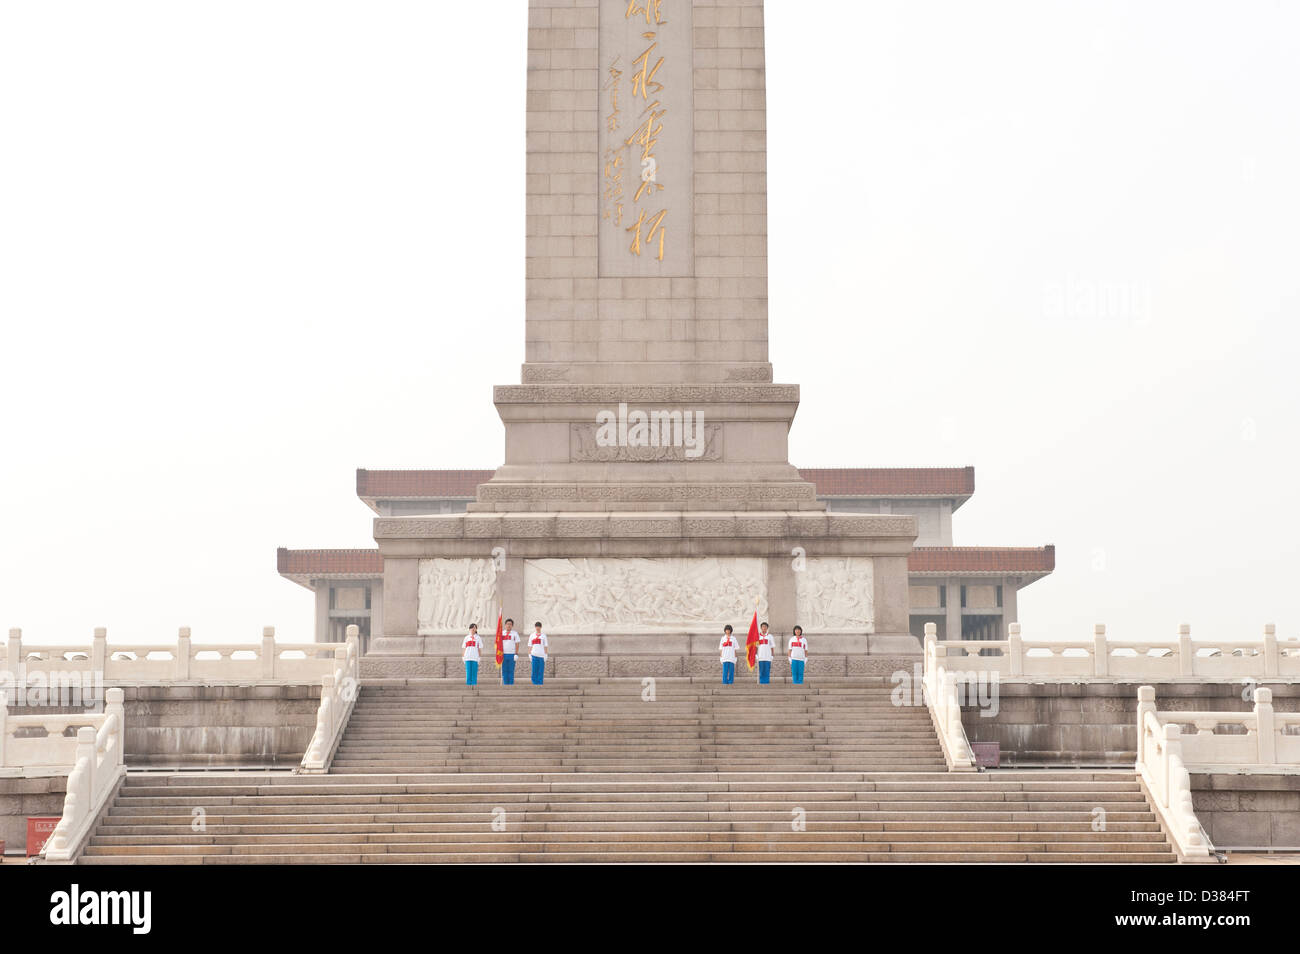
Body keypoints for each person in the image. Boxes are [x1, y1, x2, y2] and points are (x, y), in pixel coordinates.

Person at [528, 621, 549, 685]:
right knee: (534, 670)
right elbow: (530, 645)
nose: (538, 628)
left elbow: (545, 646)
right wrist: (529, 654)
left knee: (540, 671)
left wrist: (545, 654)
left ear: (541, 627)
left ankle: (540, 683)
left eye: (539, 627)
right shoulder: (532, 635)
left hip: (541, 656)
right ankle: (534, 683)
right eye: (537, 627)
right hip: (534, 655)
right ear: (535, 627)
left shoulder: (543, 636)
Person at [501, 619, 520, 685]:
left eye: (510, 624)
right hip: (503, 654)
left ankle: (511, 685)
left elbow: (517, 644)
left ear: (512, 626)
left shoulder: (515, 634)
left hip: (512, 655)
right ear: (505, 625)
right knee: (504, 671)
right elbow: (498, 644)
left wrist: (516, 654)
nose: (509, 625)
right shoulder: (501, 633)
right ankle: (505, 684)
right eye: (507, 624)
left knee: (511, 670)